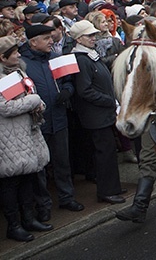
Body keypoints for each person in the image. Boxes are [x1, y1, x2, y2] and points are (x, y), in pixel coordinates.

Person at [20, 24, 83, 221]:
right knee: (40, 167)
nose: (51, 41)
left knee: (62, 162)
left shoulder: (56, 59)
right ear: (33, 42)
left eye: (51, 37)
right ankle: (43, 205)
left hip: (59, 119)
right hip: (37, 124)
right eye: (46, 38)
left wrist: (67, 91)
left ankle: (67, 197)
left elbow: (68, 82)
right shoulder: (22, 65)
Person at [0, 36, 52, 242]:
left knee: (28, 179)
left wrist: (39, 105)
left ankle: (29, 219)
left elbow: (33, 95)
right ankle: (14, 225)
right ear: (3, 58)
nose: (19, 55)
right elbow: (5, 107)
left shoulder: (19, 72)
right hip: (8, 137)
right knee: (11, 183)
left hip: (27, 133)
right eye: (14, 53)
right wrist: (34, 101)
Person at [69, 21, 125, 205]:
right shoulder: (81, 58)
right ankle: (107, 191)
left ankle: (113, 186)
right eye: (89, 36)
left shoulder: (90, 56)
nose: (94, 38)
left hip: (103, 113)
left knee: (109, 151)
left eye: (94, 35)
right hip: (96, 115)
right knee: (104, 153)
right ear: (78, 39)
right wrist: (109, 101)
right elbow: (84, 90)